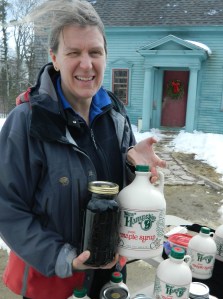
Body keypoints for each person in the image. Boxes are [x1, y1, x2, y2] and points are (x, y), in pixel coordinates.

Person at [0, 1, 166, 299]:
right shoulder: (27, 121)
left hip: (109, 273)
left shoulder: (114, 113)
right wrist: (61, 257)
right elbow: (7, 207)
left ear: (106, 56)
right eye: (73, 52)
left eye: (95, 52)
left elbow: (119, 195)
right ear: (55, 58)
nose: (86, 64)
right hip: (51, 280)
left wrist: (136, 171)